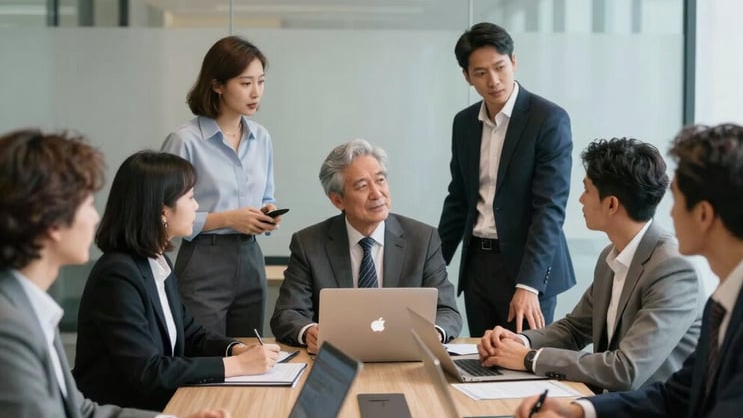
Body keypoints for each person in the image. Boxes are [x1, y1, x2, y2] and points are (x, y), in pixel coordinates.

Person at [512, 123, 743, 418]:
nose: (667, 213)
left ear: (704, 215)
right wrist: (579, 413)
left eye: (678, 201)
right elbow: (676, 397)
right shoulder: (733, 291)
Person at [0, 130, 240, 418]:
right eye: (87, 204)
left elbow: (80, 413)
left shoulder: (25, 308)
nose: (95, 218)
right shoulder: (9, 329)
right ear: (52, 222)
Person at [478, 138, 702, 392]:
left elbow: (626, 370)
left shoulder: (673, 270)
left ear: (611, 204)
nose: (581, 200)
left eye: (587, 190)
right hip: (610, 406)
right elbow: (574, 329)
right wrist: (520, 341)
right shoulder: (611, 256)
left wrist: (529, 359)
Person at [73, 151, 280, 412]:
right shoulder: (117, 275)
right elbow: (145, 370)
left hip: (159, 406)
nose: (196, 206)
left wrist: (236, 349)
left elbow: (191, 333)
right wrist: (237, 367)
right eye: (191, 198)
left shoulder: (156, 262)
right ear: (163, 211)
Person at [438, 22, 575, 337]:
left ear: (513, 61)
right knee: (480, 361)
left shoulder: (548, 119)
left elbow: (550, 208)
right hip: (477, 267)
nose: (493, 80)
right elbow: (458, 200)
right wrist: (432, 266)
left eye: (499, 67)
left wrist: (529, 284)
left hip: (527, 268)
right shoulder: (464, 124)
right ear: (467, 77)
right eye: (480, 73)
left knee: (522, 368)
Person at [270, 139, 462, 352]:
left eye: (380, 180)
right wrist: (308, 332)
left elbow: (448, 312)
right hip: (335, 360)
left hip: (405, 359)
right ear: (338, 200)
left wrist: (433, 333)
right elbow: (286, 314)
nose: (377, 193)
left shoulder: (422, 239)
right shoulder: (309, 244)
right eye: (362, 186)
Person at [161, 35, 283, 337]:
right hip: (204, 258)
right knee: (204, 353)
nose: (256, 93)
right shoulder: (185, 141)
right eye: (245, 83)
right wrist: (229, 219)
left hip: (251, 258)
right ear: (217, 85)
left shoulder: (261, 138)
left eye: (261, 82)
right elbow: (162, 214)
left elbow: (267, 195)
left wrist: (268, 213)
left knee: (249, 350)